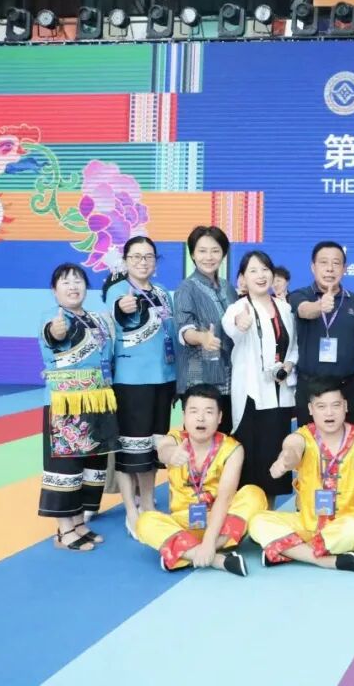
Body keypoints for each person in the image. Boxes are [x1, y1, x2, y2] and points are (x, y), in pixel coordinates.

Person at [249, 376, 354, 570]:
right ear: (310, 409)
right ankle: (325, 560)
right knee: (257, 522)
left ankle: (288, 550)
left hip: (343, 525)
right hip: (305, 524)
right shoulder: (303, 436)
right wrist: (285, 460)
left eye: (335, 405)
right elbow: (292, 447)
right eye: (321, 406)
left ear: (345, 406)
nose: (329, 413)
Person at [136, 384, 266, 575]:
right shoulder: (175, 440)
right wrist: (172, 455)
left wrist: (209, 542)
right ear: (184, 416)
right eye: (194, 411)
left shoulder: (233, 449)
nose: (201, 418)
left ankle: (185, 554)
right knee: (145, 521)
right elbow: (164, 450)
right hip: (182, 523)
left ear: (220, 417)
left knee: (255, 494)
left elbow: (225, 499)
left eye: (209, 412)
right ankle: (217, 559)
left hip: (219, 522)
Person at [38, 263, 119, 551]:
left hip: (98, 400)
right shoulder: (53, 317)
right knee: (66, 467)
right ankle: (64, 531)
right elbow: (54, 334)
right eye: (65, 282)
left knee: (92, 466)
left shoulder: (96, 319)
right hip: (67, 404)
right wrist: (57, 331)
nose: (73, 286)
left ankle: (79, 523)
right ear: (54, 290)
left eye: (78, 281)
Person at [102, 236, 177, 537]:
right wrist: (124, 307)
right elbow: (118, 312)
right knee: (130, 448)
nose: (143, 262)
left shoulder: (163, 293)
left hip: (164, 379)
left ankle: (148, 503)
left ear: (156, 261)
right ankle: (130, 511)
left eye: (148, 256)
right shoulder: (118, 290)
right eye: (136, 256)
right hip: (131, 381)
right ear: (125, 261)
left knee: (154, 448)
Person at [222, 250, 297, 507]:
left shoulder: (285, 308)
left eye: (265, 269)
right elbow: (231, 328)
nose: (261, 275)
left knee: (274, 460)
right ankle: (245, 516)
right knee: (250, 462)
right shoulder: (238, 308)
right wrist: (240, 324)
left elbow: (293, 347)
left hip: (279, 395)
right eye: (253, 271)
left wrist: (289, 364)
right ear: (243, 278)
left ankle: (268, 515)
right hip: (252, 397)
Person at [290, 241, 354, 428]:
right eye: (323, 262)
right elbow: (304, 310)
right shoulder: (299, 295)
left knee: (350, 441)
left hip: (347, 388)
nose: (330, 269)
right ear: (313, 267)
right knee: (309, 442)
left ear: (344, 269)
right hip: (310, 388)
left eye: (336, 263)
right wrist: (319, 306)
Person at [174, 226, 238, 434]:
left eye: (215, 251)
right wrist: (202, 337)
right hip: (199, 377)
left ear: (223, 254)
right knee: (199, 438)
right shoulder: (186, 288)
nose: (209, 257)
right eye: (202, 251)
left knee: (225, 438)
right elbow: (184, 330)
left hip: (229, 376)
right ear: (193, 254)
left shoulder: (228, 288)